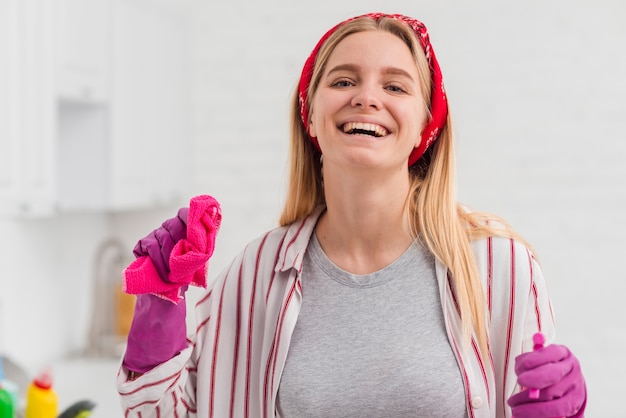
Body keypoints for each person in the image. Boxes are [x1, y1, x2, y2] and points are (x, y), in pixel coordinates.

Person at [116, 12, 587, 418]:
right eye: (343, 80)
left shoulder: (496, 266)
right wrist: (159, 313)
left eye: (395, 85)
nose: (367, 97)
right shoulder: (255, 274)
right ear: (311, 114)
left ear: (426, 122)